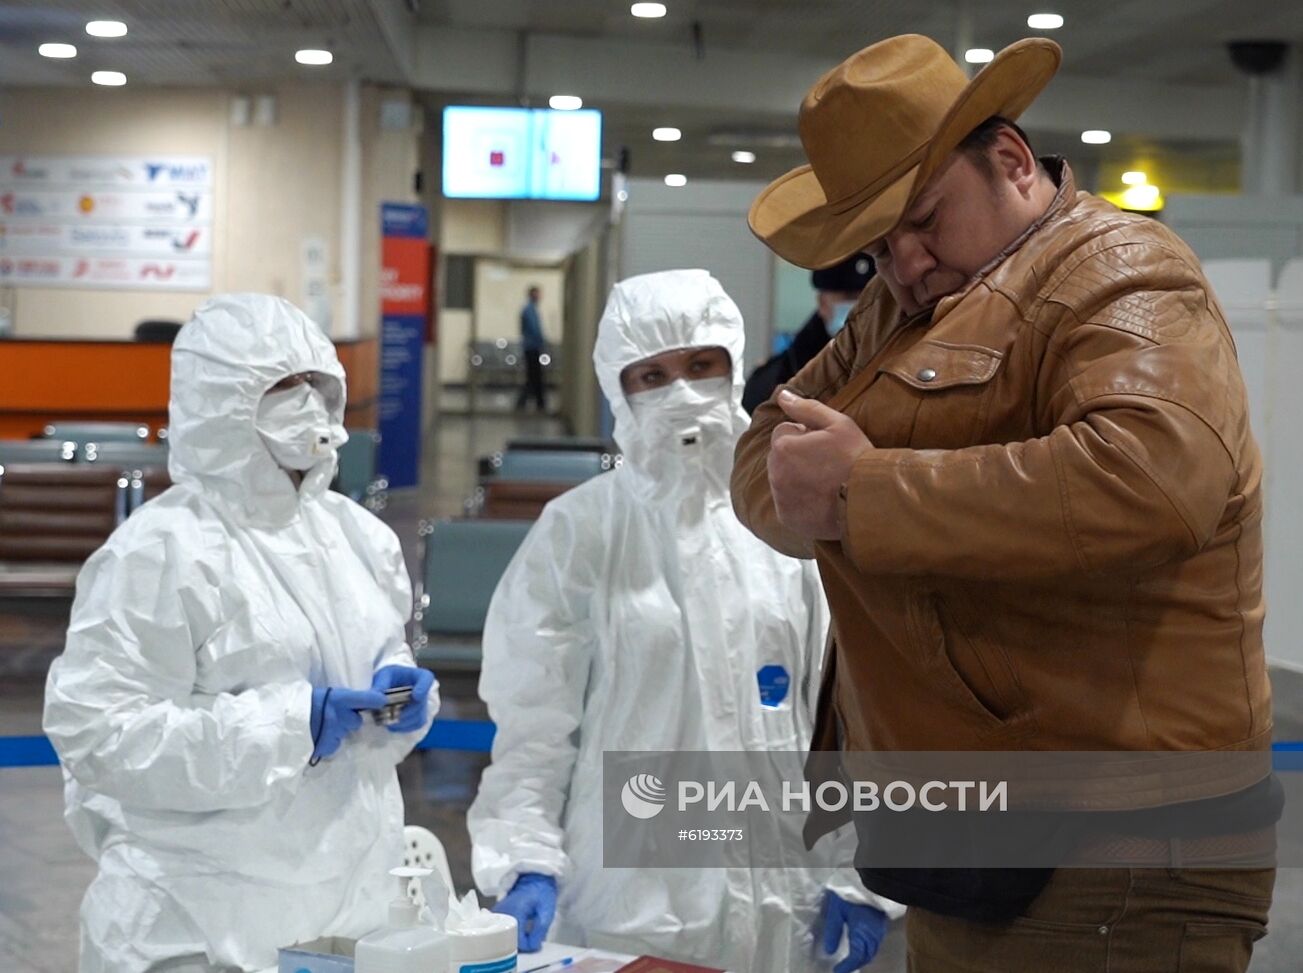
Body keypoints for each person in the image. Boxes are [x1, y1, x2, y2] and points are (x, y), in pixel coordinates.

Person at [732, 34, 1276, 972]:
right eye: (879, 246)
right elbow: (763, 466)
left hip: (1119, 843)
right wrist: (830, 490)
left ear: (1013, 161)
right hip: (980, 832)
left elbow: (1151, 479)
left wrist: (863, 489)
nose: (906, 261)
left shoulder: (1122, 271)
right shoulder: (904, 305)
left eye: (927, 219)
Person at [468, 269, 901, 972]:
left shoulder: (787, 523)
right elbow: (533, 728)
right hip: (632, 904)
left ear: (734, 365)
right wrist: (524, 856)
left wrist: (855, 871)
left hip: (785, 898)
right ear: (619, 387)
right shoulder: (580, 530)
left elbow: (850, 711)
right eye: (652, 374)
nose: (680, 390)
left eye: (702, 364)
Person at [43, 293, 438, 973]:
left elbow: (378, 670)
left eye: (319, 383)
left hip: (343, 915)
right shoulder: (158, 552)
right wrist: (293, 726)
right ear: (217, 403)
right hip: (193, 925)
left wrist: (401, 705)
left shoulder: (359, 539)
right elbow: (99, 734)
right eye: (281, 388)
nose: (309, 405)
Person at [742, 253, 875, 414]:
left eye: (868, 297)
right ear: (823, 303)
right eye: (849, 297)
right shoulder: (777, 377)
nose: (860, 306)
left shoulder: (897, 362)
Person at [515, 284, 547, 412]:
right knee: (534, 376)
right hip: (532, 347)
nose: (540, 296)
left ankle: (535, 403)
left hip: (532, 346)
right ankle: (534, 403)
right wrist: (542, 341)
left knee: (534, 376)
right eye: (537, 294)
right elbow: (534, 329)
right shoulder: (529, 310)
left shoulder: (531, 309)